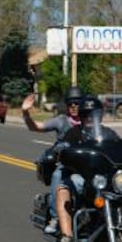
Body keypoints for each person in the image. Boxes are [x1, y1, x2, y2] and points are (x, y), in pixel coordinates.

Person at [56, 95, 120, 242]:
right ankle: (67, 235)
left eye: (94, 115)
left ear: (100, 115)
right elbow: (63, 150)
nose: (90, 118)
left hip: (104, 178)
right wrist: (62, 149)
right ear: (81, 116)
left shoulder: (109, 134)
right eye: (86, 115)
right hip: (81, 176)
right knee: (64, 187)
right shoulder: (73, 133)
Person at [21, 86, 83, 234]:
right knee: (58, 176)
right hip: (67, 164)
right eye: (70, 103)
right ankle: (56, 218)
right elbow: (35, 127)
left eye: (77, 102)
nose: (74, 106)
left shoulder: (89, 120)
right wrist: (25, 112)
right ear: (66, 105)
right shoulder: (61, 121)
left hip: (86, 164)